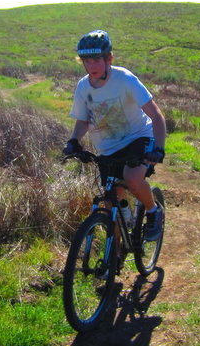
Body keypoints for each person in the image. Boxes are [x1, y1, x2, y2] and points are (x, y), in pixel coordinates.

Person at [63, 29, 166, 241]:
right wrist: (74, 140)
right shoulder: (83, 87)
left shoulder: (125, 79)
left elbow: (156, 115)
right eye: (86, 60)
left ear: (109, 58)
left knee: (132, 180)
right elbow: (83, 120)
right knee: (111, 206)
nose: (92, 65)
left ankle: (153, 211)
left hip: (138, 137)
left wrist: (159, 149)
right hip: (108, 148)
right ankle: (115, 259)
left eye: (97, 59)